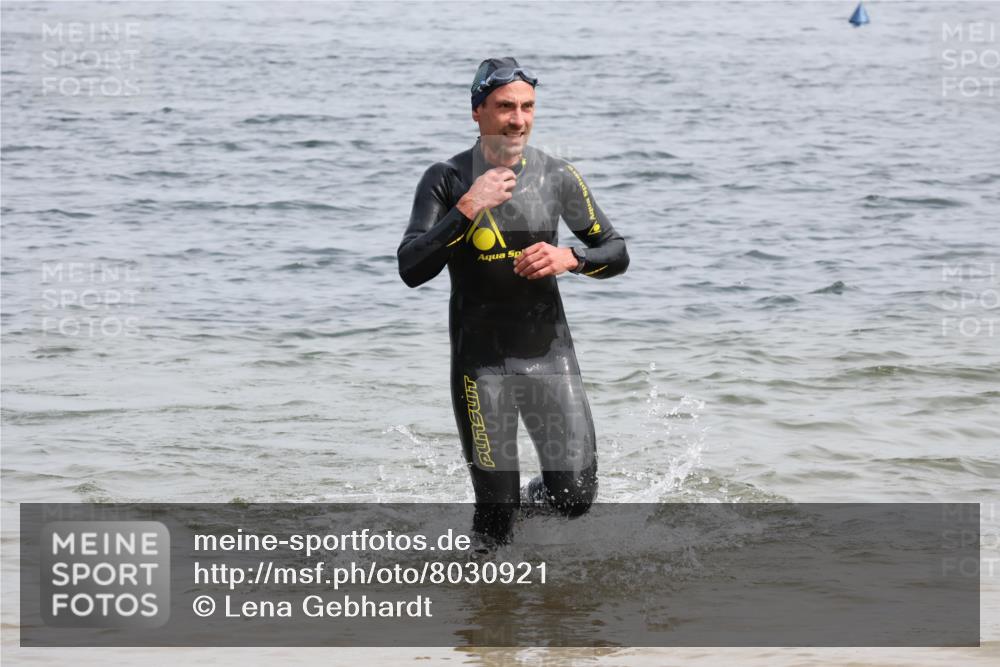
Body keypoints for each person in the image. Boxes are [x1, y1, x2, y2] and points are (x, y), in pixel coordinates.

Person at [397, 57, 629, 544]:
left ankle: (525, 515)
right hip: (482, 365)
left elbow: (616, 252)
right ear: (477, 112)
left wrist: (572, 258)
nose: (517, 119)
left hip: (550, 356)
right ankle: (483, 606)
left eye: (526, 107)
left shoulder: (558, 176)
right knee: (495, 514)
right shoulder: (446, 178)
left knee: (576, 497)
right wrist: (467, 207)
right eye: (505, 107)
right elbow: (412, 269)